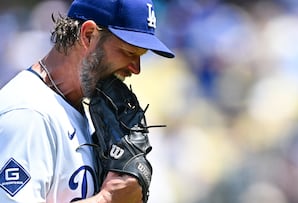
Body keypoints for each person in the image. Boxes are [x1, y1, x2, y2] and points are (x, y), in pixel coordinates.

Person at [0, 0, 174, 202]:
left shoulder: (89, 109)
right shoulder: (28, 114)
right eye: (129, 52)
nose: (136, 69)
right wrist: (108, 198)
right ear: (88, 35)